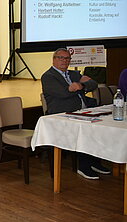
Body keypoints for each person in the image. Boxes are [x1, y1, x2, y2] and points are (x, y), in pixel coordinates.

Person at [41, 47, 110, 179]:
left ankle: (95, 163)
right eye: (61, 58)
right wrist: (79, 87)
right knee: (85, 130)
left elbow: (93, 83)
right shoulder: (48, 76)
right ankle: (84, 166)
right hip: (62, 115)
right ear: (54, 59)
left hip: (82, 112)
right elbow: (63, 93)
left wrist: (80, 86)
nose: (64, 61)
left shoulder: (73, 74)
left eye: (67, 58)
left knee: (99, 128)